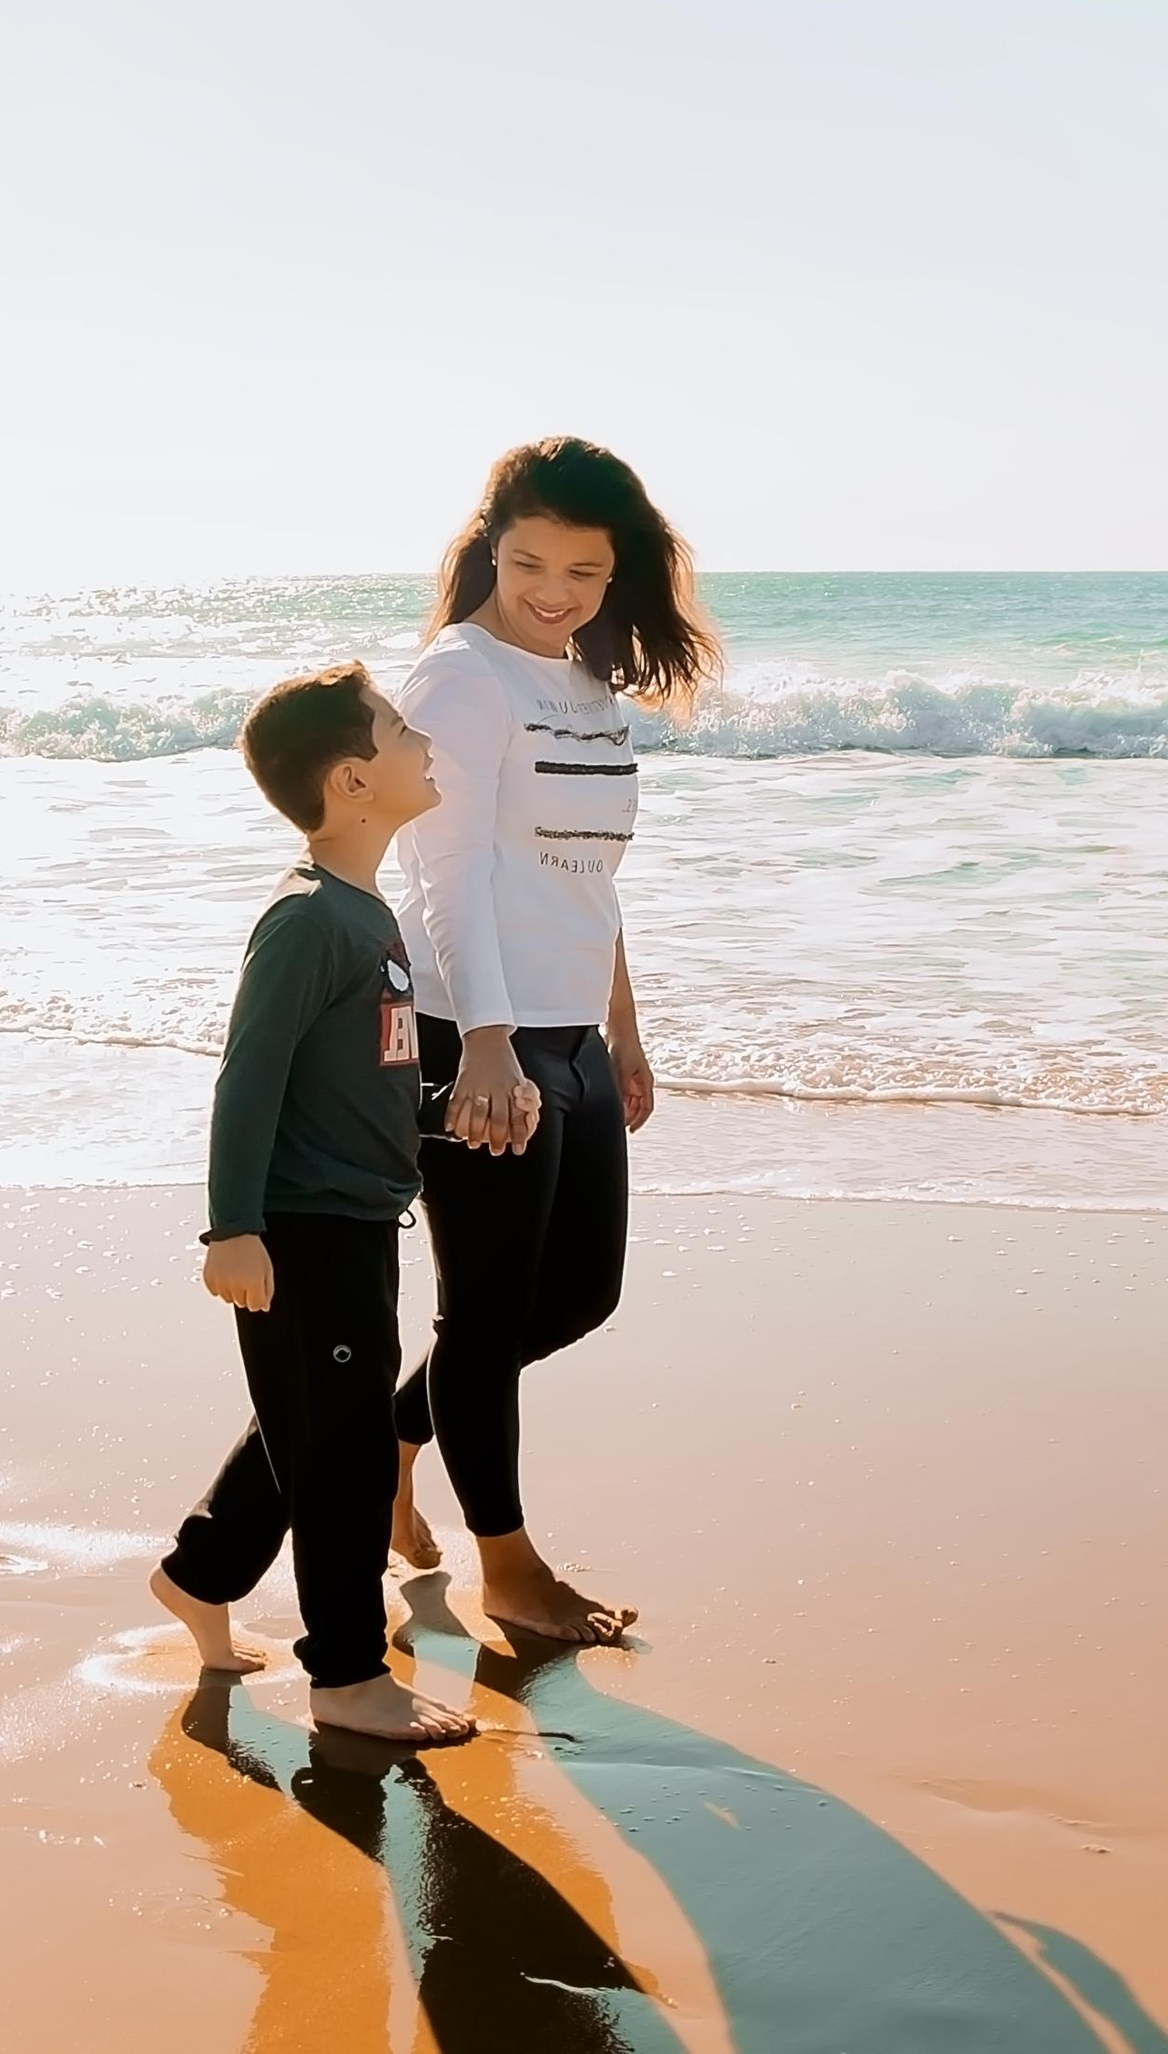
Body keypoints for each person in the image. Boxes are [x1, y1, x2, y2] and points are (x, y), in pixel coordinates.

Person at [388, 436, 715, 1644]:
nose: (555, 590)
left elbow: (588, 877)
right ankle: (509, 1570)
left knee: (580, 1295)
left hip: (568, 1032)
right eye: (530, 561)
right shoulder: (460, 679)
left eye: (584, 568)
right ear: (489, 547)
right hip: (474, 1033)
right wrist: (484, 1043)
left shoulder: (582, 685)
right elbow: (446, 874)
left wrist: (620, 1030)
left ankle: (394, 1437)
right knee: (483, 1316)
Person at [150, 664, 474, 1745]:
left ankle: (201, 1575)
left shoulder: (366, 913)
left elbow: (363, 1074)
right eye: (395, 727)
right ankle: (343, 1676)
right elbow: (248, 1076)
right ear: (351, 780)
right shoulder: (305, 919)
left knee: (308, 1423)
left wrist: (440, 1110)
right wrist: (230, 1226)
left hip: (355, 1222)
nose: (418, 735)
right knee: (338, 1456)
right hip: (298, 1230)